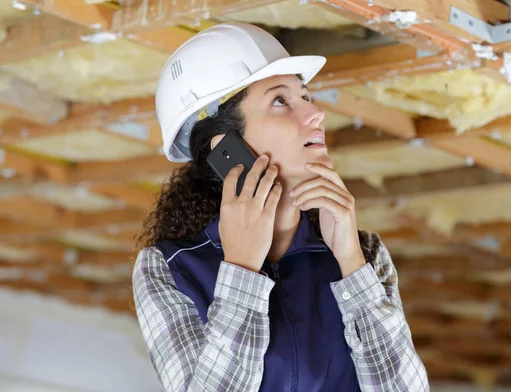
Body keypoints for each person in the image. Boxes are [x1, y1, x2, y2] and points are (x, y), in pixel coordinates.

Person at [132, 22, 428, 392]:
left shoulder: (364, 255)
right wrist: (240, 269)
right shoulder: (170, 269)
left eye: (305, 97)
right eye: (280, 100)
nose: (315, 113)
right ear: (228, 150)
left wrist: (352, 265)